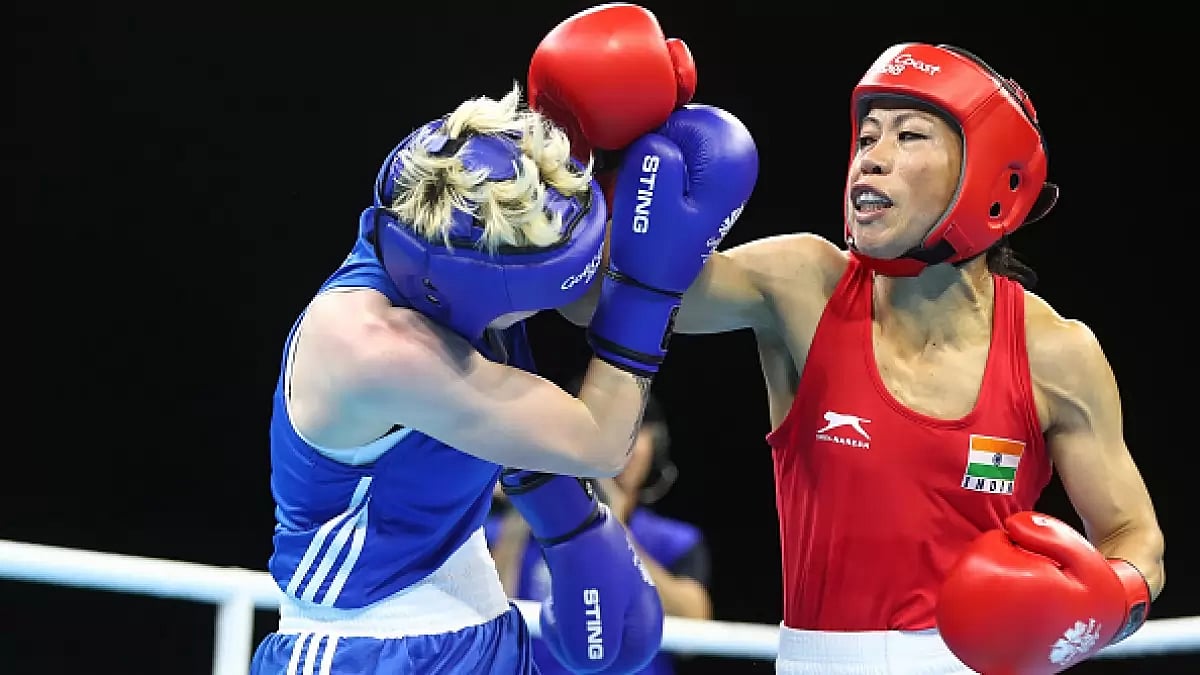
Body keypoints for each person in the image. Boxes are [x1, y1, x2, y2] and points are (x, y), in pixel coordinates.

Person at [557, 42, 1165, 674]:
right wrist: (595, 162)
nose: (871, 158)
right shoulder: (803, 286)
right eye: (867, 135)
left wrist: (1103, 603)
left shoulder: (1055, 353)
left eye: (910, 136)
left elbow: (1135, 538)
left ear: (991, 174)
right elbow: (592, 302)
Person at [248, 5, 760, 673]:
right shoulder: (375, 347)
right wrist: (648, 287)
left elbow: (543, 225)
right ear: (478, 285)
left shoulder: (455, 207)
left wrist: (605, 135)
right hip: (363, 650)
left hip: (484, 623)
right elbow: (599, 439)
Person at [487, 383, 714, 675]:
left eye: (634, 431)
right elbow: (492, 626)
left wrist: (613, 532)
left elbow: (695, 633)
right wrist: (525, 504)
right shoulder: (501, 533)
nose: (619, 446)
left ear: (654, 448)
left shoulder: (673, 541)